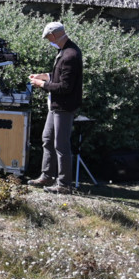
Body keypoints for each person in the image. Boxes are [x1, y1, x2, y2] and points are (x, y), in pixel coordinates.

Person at [28, 21, 83, 193]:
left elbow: (65, 87)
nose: (48, 42)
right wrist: (44, 76)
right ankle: (47, 176)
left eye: (48, 38)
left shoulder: (70, 55)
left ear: (53, 35)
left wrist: (41, 84)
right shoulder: (64, 51)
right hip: (56, 105)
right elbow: (59, 76)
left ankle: (64, 184)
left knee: (61, 145)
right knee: (48, 139)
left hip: (64, 106)